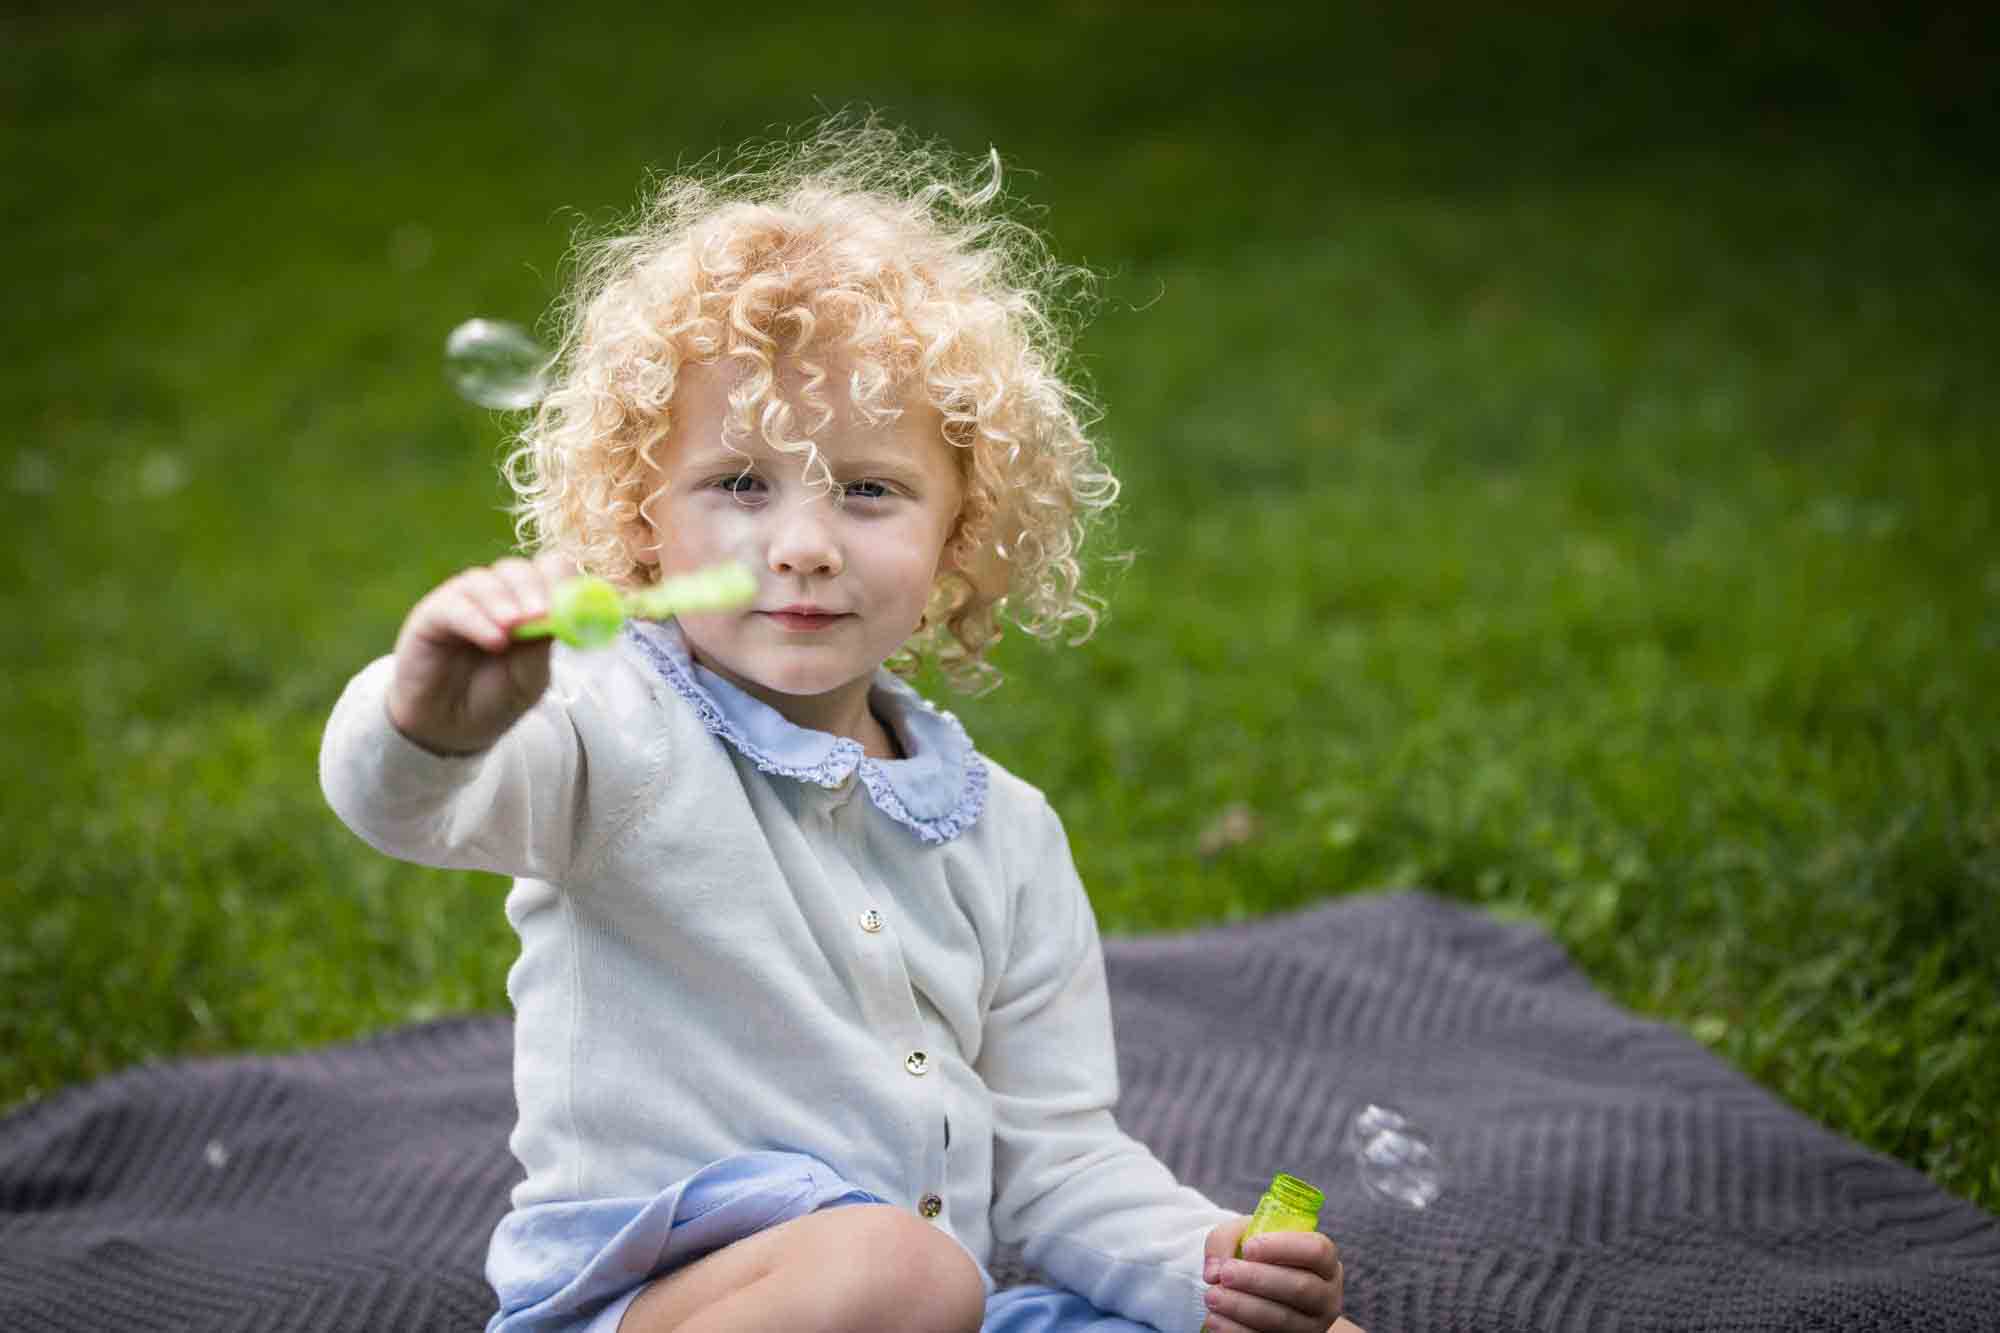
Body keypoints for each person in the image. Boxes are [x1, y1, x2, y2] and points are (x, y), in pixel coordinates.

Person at [321, 117, 1361, 1333]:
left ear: (958, 534)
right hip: (662, 1303)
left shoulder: (1005, 837)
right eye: (738, 484)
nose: (803, 543)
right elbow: (400, 802)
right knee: (899, 1270)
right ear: (641, 517)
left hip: (940, 1307)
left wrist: (1206, 1268)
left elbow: (1058, 1165)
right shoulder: (609, 730)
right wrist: (434, 714)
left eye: (868, 490)